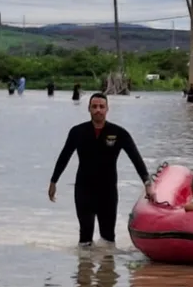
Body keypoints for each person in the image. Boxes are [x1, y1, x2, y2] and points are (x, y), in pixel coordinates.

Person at [48, 93, 154, 246]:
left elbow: (136, 159)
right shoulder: (77, 132)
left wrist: (147, 183)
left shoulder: (119, 133)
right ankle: (85, 262)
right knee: (85, 236)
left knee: (108, 237)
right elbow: (64, 157)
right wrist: (54, 181)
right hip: (84, 190)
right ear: (89, 109)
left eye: (101, 107)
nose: (98, 110)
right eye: (94, 106)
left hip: (108, 191)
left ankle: (107, 262)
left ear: (107, 109)